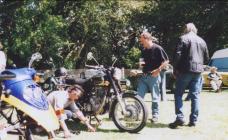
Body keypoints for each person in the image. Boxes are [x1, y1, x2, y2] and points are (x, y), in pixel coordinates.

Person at [169, 23, 209, 129]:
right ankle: (193, 121)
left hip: (185, 70)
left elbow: (177, 55)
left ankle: (180, 118)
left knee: (178, 94)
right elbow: (206, 58)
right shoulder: (202, 41)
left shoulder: (183, 38)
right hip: (198, 72)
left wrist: (174, 69)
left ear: (186, 29)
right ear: (194, 29)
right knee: (195, 96)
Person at [137, 31, 169, 123]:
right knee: (139, 97)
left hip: (154, 77)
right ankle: (136, 114)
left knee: (155, 97)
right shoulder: (144, 50)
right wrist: (138, 69)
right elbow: (142, 64)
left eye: (142, 41)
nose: (141, 43)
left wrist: (158, 70)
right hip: (144, 77)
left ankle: (155, 116)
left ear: (147, 39)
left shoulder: (158, 48)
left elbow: (166, 61)